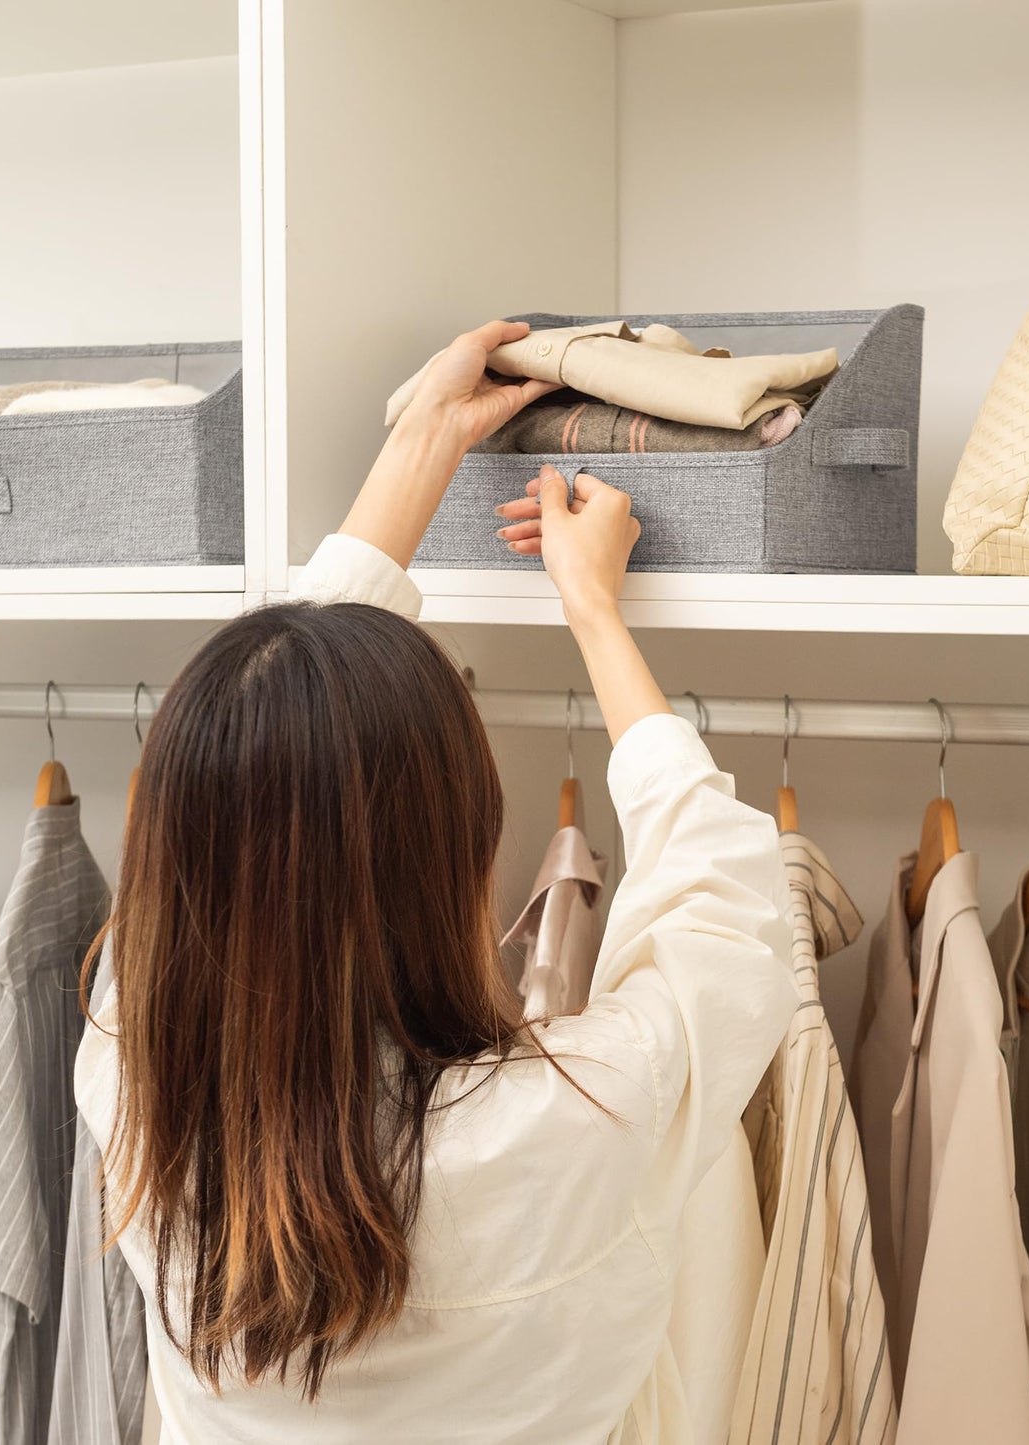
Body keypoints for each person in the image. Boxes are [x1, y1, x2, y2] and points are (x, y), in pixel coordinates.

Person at [76, 320, 798, 1443]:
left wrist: (420, 446)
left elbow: (254, 799)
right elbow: (727, 906)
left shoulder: (136, 1097)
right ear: (454, 854)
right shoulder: (567, 1117)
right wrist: (593, 610)